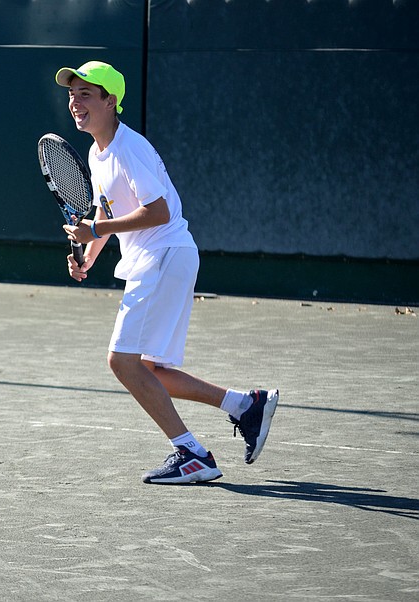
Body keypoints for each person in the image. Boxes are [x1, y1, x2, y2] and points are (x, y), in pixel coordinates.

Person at [55, 60, 278, 484]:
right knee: (149, 370)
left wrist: (96, 228)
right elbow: (106, 211)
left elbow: (155, 212)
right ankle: (244, 405)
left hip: (163, 254)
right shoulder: (96, 152)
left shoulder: (129, 147)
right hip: (162, 257)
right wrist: (89, 252)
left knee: (122, 362)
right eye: (71, 94)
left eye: (86, 94)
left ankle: (191, 454)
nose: (75, 102)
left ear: (111, 100)